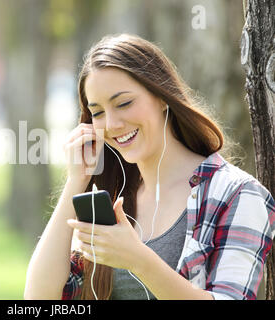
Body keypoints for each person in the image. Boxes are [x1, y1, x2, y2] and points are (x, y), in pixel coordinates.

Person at [24, 33, 275, 300]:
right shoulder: (109, 199)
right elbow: (39, 298)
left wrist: (139, 260)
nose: (111, 124)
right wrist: (76, 181)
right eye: (97, 112)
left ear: (162, 96)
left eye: (124, 103)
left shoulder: (237, 194)